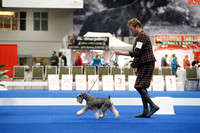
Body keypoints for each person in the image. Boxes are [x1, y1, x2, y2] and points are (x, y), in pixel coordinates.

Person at [115, 18, 159, 118]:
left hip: (147, 64)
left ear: (137, 27)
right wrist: (137, 67)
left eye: (131, 29)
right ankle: (145, 111)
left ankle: (153, 106)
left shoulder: (142, 36)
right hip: (143, 64)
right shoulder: (140, 36)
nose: (131, 31)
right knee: (142, 86)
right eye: (130, 29)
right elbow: (139, 54)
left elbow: (136, 53)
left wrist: (120, 53)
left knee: (138, 86)